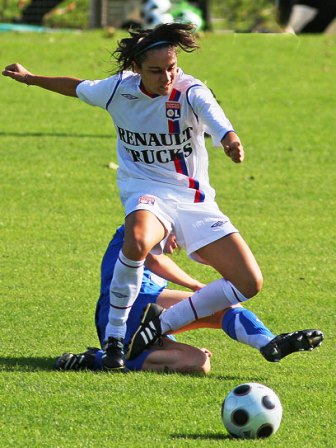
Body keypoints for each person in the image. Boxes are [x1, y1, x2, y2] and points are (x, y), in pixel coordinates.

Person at [1, 23, 320, 372]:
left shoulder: (189, 90)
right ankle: (115, 338)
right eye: (156, 70)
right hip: (146, 190)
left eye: (171, 67)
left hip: (193, 201)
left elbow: (214, 114)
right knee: (137, 239)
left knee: (248, 282)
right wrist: (31, 78)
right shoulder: (116, 90)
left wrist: (228, 137)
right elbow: (77, 87)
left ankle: (163, 329)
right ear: (135, 68)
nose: (167, 76)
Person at [55, 225, 323, 373]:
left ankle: (99, 359)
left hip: (142, 319)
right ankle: (98, 358)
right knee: (222, 305)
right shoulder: (138, 227)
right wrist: (196, 285)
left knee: (199, 364)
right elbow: (152, 257)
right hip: (124, 313)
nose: (178, 246)